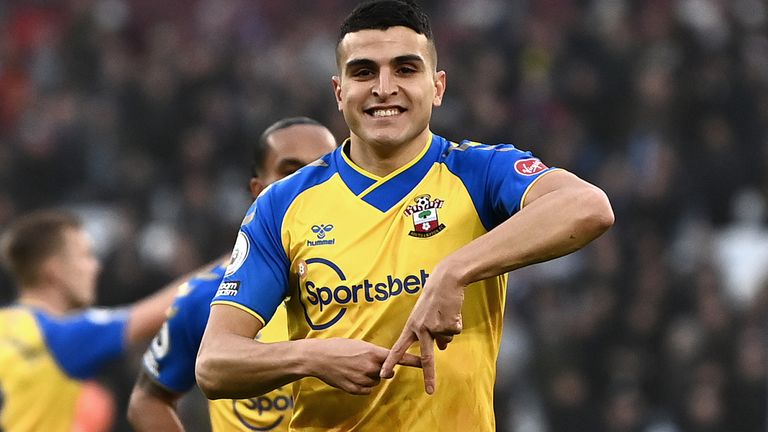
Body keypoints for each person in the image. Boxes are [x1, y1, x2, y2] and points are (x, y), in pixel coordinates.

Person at [195, 1, 614, 431]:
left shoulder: (478, 172)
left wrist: (454, 271)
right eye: (363, 72)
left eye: (405, 69)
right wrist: (311, 357)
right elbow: (214, 363)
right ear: (339, 93)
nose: (384, 87)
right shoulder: (281, 204)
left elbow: (589, 207)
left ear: (437, 87)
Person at [127, 117, 338, 432]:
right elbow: (148, 401)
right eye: (290, 172)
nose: (306, 185)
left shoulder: (382, 278)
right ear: (257, 190)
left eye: (322, 171)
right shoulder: (208, 295)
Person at [0, 210, 187, 431]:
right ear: (54, 270)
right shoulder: (59, 336)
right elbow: (174, 304)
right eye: (85, 255)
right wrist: (234, 265)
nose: (95, 267)